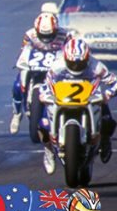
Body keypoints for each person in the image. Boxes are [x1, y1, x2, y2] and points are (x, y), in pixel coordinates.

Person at [40, 38, 117, 173]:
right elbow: (45, 84)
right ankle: (48, 150)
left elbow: (114, 82)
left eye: (80, 63)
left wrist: (108, 94)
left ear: (87, 58)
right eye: (72, 63)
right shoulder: (56, 66)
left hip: (89, 99)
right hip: (62, 99)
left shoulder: (97, 66)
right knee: (43, 122)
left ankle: (105, 140)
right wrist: (45, 94)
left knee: (108, 120)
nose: (76, 66)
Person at [10, 11, 71, 134]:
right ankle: (16, 114)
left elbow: (71, 52)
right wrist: (22, 63)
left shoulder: (65, 35)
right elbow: (24, 51)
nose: (45, 39)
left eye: (49, 35)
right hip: (36, 65)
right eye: (42, 35)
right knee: (17, 86)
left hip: (55, 66)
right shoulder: (29, 35)